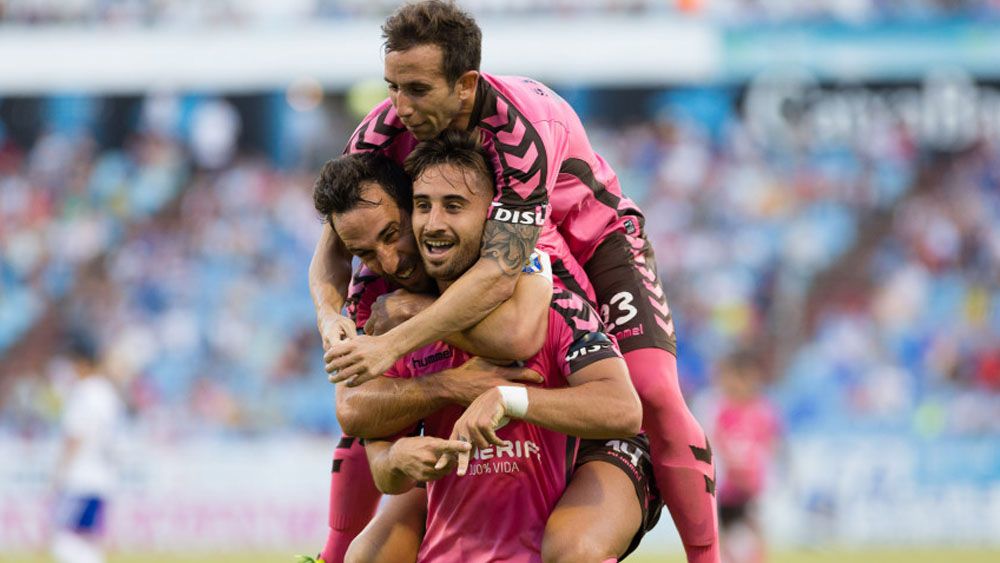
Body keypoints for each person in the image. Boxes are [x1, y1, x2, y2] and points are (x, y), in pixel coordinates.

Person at [310, 2, 719, 561]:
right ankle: (331, 556)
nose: (401, 107)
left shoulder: (518, 134)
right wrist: (329, 316)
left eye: (417, 90)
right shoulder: (379, 134)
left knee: (651, 389)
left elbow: (503, 274)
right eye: (393, 87)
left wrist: (400, 331)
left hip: (589, 235)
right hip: (504, 237)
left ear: (465, 85)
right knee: (372, 396)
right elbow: (335, 240)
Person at [357, 129, 655, 562]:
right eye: (422, 206)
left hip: (590, 463)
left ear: (492, 217)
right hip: (464, 515)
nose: (434, 223)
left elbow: (624, 411)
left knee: (576, 551)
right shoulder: (396, 316)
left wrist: (506, 397)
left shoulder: (548, 302)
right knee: (365, 556)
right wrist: (398, 456)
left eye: (453, 206)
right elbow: (379, 460)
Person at [310, 150, 554, 563]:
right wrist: (447, 386)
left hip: (566, 449)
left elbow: (518, 336)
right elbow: (352, 411)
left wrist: (414, 312)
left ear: (417, 206)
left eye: (392, 234)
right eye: (366, 253)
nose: (390, 262)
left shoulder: (499, 245)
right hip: (467, 466)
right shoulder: (373, 289)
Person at [50, 332, 124, 563]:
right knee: (87, 541)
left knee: (65, 543)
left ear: (82, 362)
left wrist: (59, 474)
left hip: (80, 478)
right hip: (102, 478)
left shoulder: (84, 393)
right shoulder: (107, 393)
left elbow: (75, 438)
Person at [708, 351, 782, 563]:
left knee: (754, 528)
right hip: (728, 485)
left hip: (753, 485)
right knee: (722, 530)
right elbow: (715, 443)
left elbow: (771, 445)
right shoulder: (720, 410)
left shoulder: (762, 410)